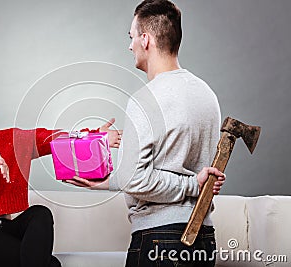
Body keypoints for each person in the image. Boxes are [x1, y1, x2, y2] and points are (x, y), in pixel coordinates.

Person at [66, 0, 226, 266]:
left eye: (131, 38)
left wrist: (189, 184)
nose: (130, 46)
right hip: (203, 238)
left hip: (159, 240)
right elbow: (170, 169)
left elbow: (142, 180)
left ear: (146, 39)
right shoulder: (206, 94)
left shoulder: (145, 99)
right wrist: (108, 182)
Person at [0, 67, 121, 267]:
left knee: (40, 214)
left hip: (5, 229)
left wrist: (95, 135)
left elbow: (49, 138)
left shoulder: (10, 140)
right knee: (51, 265)